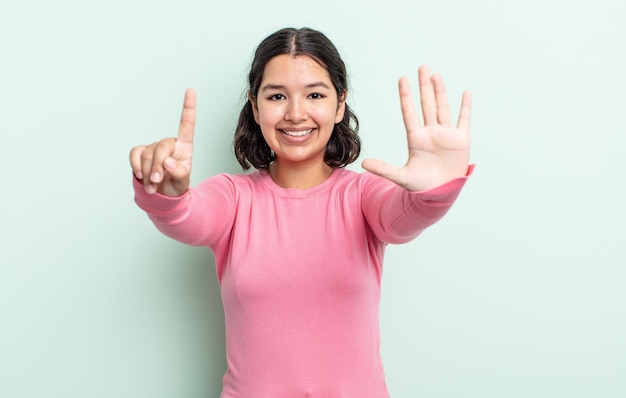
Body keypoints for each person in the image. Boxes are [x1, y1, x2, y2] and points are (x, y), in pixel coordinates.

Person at [130, 27, 473, 398]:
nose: (295, 114)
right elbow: (189, 218)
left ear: (339, 104)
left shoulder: (363, 196)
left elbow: (404, 217)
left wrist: (435, 191)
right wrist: (165, 194)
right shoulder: (234, 196)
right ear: (255, 105)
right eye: (277, 95)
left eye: (315, 94)